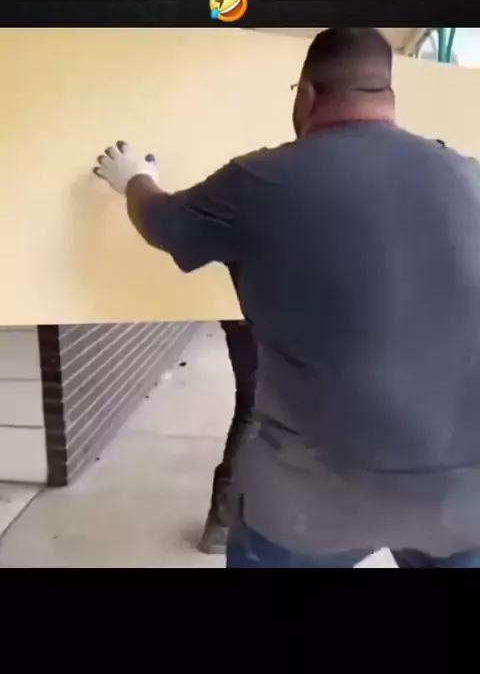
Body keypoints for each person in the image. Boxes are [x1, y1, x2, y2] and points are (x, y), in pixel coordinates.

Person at [94, 28, 480, 568]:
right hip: (462, 501)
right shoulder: (469, 175)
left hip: (311, 504)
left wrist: (135, 178)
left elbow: (163, 223)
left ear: (307, 94)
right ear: (387, 93)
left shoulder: (261, 179)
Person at [197, 320, 257, 555]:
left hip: (241, 313)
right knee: (256, 406)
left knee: (250, 404)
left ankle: (222, 524)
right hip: (277, 314)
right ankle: (224, 524)